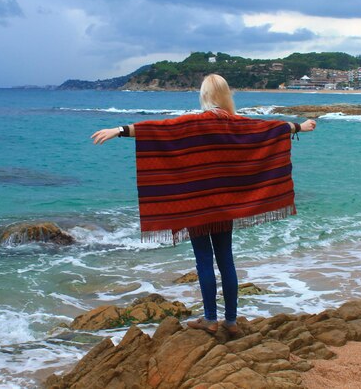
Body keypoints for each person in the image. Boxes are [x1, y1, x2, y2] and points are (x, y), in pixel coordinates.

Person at [92, 74, 316, 335]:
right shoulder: (239, 123)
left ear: (205, 96)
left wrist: (118, 131)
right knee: (226, 260)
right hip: (225, 205)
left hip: (198, 206)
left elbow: (160, 129)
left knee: (204, 261)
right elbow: (270, 128)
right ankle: (231, 322)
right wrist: (300, 127)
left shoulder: (194, 122)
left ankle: (210, 319)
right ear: (225, 95)